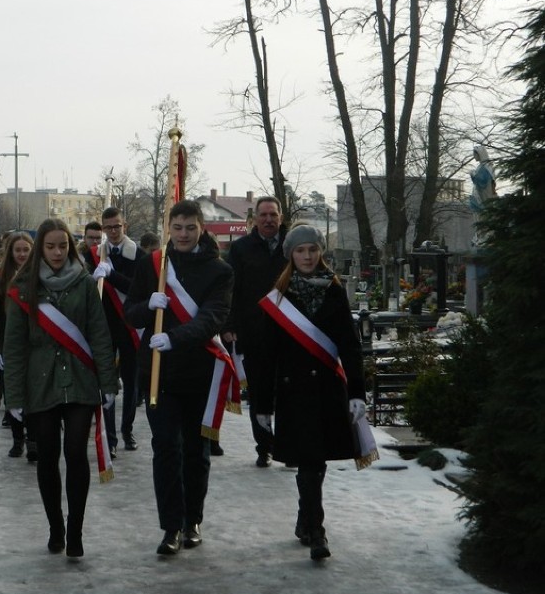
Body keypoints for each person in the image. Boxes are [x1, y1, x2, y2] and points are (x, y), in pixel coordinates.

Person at [254, 225, 376, 561]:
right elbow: (267, 356)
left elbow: (350, 346)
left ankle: (306, 517)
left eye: (312, 250)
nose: (307, 257)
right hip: (294, 392)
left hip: (326, 389)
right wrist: (262, 404)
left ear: (320, 252)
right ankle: (317, 529)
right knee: (308, 460)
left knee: (316, 460)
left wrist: (356, 392)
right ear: (290, 255)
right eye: (300, 251)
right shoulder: (278, 298)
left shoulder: (335, 290)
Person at [124, 200, 235, 555]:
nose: (184, 234)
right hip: (158, 373)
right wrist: (148, 306)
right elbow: (132, 314)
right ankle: (170, 526)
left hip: (199, 371)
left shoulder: (219, 271)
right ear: (168, 229)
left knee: (196, 450)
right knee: (166, 448)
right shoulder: (152, 267)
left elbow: (211, 319)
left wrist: (175, 337)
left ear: (202, 228)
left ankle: (193, 520)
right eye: (178, 227)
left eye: (190, 227)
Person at [3, 218, 118, 558]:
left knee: (75, 454)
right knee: (48, 456)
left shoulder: (83, 283)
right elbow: (15, 346)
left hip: (80, 380)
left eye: (63, 246)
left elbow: (99, 333)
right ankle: (55, 527)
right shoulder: (23, 286)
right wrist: (15, 395)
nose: (56, 252)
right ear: (41, 248)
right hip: (40, 382)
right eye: (50, 246)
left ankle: (76, 530)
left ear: (71, 246)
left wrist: (108, 381)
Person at [222, 196, 288, 467]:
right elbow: (230, 290)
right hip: (254, 332)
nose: (268, 220)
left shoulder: (292, 246)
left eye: (273, 215)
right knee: (260, 392)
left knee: (286, 392)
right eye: (263, 215)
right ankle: (264, 446)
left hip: (289, 333)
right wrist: (229, 326)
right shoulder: (241, 249)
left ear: (280, 217)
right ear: (255, 219)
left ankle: (286, 445)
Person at [86, 206, 146, 456]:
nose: (112, 231)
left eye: (117, 226)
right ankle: (109, 436)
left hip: (130, 325)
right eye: (108, 227)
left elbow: (138, 289)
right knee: (106, 381)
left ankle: (127, 429)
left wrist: (112, 275)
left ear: (125, 226)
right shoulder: (93, 255)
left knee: (132, 381)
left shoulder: (139, 255)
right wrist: (92, 279)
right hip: (104, 326)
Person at [0, 231, 36, 460]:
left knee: (36, 394)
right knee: (13, 394)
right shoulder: (0, 279)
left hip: (35, 345)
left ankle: (33, 439)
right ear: (11, 253)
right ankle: (18, 440)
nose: (21, 254)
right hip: (10, 345)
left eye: (26, 250)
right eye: (17, 250)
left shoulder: (41, 277)